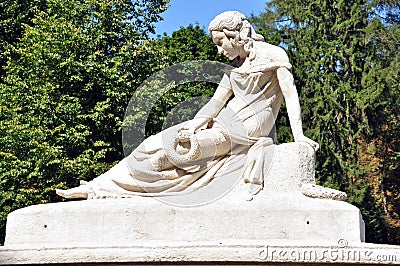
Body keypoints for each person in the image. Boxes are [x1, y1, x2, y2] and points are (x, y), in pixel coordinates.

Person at [56, 11, 318, 200]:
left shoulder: (274, 55)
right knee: (154, 144)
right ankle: (98, 186)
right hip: (224, 119)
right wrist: (194, 124)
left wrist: (299, 136)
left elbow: (290, 96)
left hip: (249, 128)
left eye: (220, 42)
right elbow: (215, 102)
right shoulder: (233, 68)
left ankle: (123, 187)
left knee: (180, 152)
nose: (218, 50)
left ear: (235, 35)